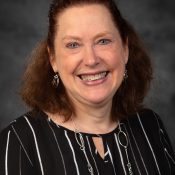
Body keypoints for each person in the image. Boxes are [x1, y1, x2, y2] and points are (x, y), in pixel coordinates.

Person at [0, 0, 175, 174]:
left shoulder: (150, 126)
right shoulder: (20, 141)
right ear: (53, 59)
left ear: (125, 49)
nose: (91, 60)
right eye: (73, 45)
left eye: (103, 41)